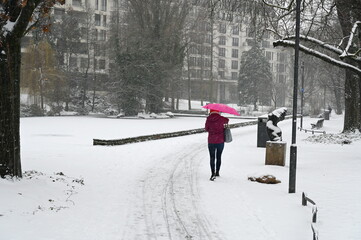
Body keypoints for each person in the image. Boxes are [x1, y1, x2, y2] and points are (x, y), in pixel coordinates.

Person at [205, 109, 229, 181]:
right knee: (219, 157)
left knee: (212, 157)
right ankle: (217, 172)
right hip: (220, 141)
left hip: (211, 141)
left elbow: (206, 129)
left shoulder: (208, 119)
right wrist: (221, 117)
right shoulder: (222, 119)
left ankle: (213, 173)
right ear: (218, 112)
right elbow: (227, 120)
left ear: (210, 112)